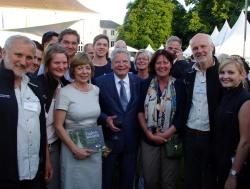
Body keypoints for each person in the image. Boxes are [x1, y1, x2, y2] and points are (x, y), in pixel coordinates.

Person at [0, 35, 52, 189]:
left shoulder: (35, 85)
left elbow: (41, 127)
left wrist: (47, 159)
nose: (23, 62)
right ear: (3, 53)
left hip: (33, 172)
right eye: (18, 55)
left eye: (29, 57)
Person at [138, 49, 185, 189]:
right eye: (158, 63)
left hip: (171, 139)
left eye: (166, 62)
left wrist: (166, 134)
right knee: (150, 180)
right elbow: (139, 111)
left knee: (168, 182)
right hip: (149, 139)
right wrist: (148, 134)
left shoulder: (179, 85)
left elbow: (181, 114)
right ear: (153, 65)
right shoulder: (146, 84)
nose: (162, 66)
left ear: (171, 65)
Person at [95, 48, 142, 189]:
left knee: (127, 179)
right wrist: (105, 118)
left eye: (125, 61)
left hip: (131, 141)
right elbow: (93, 108)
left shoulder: (138, 81)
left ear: (130, 64)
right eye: (117, 62)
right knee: (105, 178)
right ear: (111, 64)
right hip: (108, 141)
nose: (121, 65)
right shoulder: (99, 82)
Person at [54, 52, 101, 189]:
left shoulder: (96, 90)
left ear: (91, 70)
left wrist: (99, 146)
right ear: (73, 70)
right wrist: (75, 149)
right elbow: (58, 126)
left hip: (93, 147)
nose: (84, 72)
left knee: (93, 182)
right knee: (74, 183)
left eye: (87, 68)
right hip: (72, 148)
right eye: (79, 68)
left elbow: (93, 118)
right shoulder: (65, 92)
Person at [182, 33, 223, 189]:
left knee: (210, 179)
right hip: (190, 134)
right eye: (195, 48)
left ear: (212, 47)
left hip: (212, 136)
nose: (199, 51)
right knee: (191, 178)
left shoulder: (223, 73)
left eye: (203, 46)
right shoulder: (189, 73)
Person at [214, 56, 250, 189]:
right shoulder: (226, 94)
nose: (225, 76)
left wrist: (233, 175)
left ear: (242, 75)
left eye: (231, 72)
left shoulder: (245, 101)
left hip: (236, 168)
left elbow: (246, 141)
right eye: (222, 72)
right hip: (222, 162)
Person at [37, 44, 69, 189]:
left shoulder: (65, 85)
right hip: (41, 147)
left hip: (57, 146)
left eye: (64, 63)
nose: (61, 66)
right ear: (48, 64)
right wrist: (47, 157)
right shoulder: (39, 85)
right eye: (57, 63)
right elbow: (39, 126)